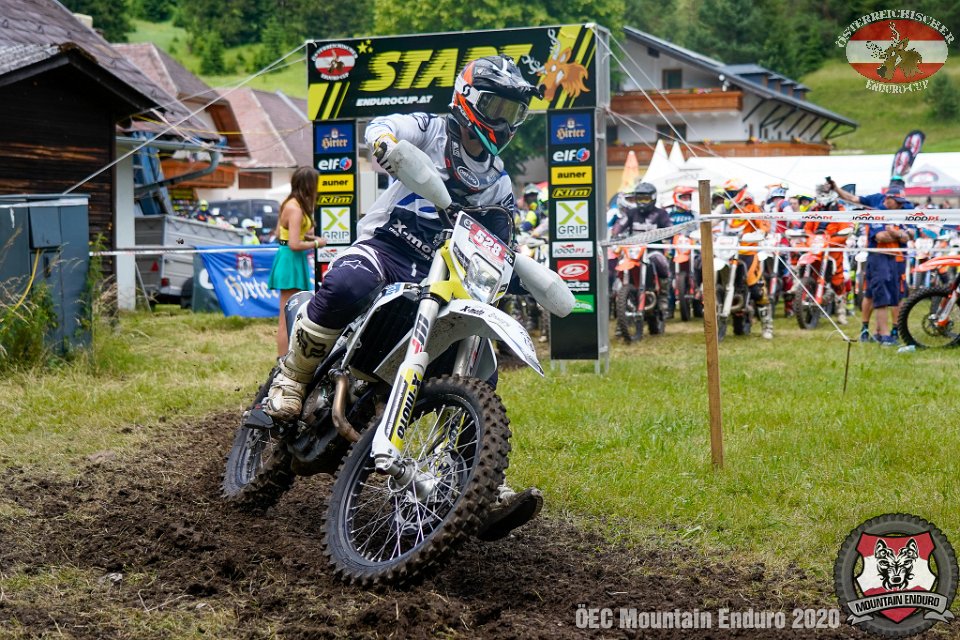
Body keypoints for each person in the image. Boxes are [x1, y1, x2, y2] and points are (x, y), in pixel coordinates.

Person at [263, 55, 545, 539]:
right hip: (389, 249)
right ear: (469, 99)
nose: (503, 121)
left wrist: (521, 269)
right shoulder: (432, 128)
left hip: (444, 276)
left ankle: (474, 479)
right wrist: (384, 141)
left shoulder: (498, 181)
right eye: (496, 107)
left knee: (481, 365)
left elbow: (503, 239)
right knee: (347, 284)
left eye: (513, 112)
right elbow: (387, 127)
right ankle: (293, 376)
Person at [829, 180, 912, 345]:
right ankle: (875, 332)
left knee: (896, 295)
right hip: (878, 256)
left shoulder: (904, 209)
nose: (901, 206)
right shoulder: (876, 207)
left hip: (897, 258)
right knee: (875, 295)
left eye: (902, 202)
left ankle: (887, 331)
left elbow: (908, 235)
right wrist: (836, 189)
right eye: (898, 202)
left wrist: (896, 233)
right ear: (888, 198)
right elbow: (881, 236)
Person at [267, 167, 325, 357]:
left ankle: (287, 358)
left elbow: (281, 233)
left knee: (292, 314)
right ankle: (282, 361)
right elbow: (293, 244)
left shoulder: (290, 203)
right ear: (309, 185)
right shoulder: (296, 209)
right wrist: (316, 243)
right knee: (286, 317)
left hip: (290, 259)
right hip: (290, 260)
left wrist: (308, 236)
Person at [610, 182, 673, 317]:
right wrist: (614, 234)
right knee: (619, 265)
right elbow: (620, 225)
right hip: (633, 252)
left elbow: (669, 227)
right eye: (639, 198)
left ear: (653, 198)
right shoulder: (631, 213)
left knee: (662, 264)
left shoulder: (661, 214)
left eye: (645, 198)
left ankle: (663, 297)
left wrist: (669, 233)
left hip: (653, 250)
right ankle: (618, 296)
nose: (642, 202)